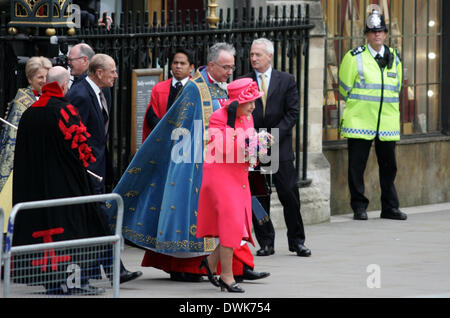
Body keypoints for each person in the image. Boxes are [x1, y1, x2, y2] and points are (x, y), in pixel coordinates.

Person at [106, 42, 270, 284]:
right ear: (211, 65)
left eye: (232, 68)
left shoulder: (228, 87)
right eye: (225, 67)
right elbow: (179, 129)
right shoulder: (195, 89)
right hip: (197, 163)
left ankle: (238, 266)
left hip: (230, 163)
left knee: (231, 218)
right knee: (199, 217)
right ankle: (188, 266)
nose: (229, 72)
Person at [12, 66, 111, 295]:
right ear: (64, 85)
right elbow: (80, 149)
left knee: (45, 231)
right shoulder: (64, 109)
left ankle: (52, 282)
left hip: (35, 187)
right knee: (72, 232)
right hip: (65, 186)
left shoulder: (30, 113)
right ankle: (73, 283)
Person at [66, 54, 142, 283]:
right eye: (113, 71)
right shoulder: (79, 95)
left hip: (98, 166)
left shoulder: (103, 91)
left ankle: (102, 270)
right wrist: (86, 170)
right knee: (97, 217)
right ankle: (112, 270)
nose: (116, 75)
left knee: (96, 219)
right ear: (99, 73)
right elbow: (75, 136)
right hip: (86, 171)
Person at [244, 38, 311, 257]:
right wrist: (254, 137)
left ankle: (297, 240)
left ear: (270, 56)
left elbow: (292, 112)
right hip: (255, 147)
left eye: (258, 55)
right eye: (252, 54)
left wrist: (273, 136)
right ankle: (266, 241)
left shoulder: (286, 80)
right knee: (259, 196)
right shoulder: (244, 81)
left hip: (278, 146)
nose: (253, 58)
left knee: (289, 194)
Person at [196, 78, 264, 293]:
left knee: (236, 226)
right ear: (236, 102)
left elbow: (250, 149)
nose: (253, 106)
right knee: (230, 224)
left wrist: (259, 147)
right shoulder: (219, 117)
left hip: (239, 176)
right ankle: (226, 276)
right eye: (249, 101)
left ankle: (210, 261)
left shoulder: (248, 117)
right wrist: (249, 142)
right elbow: (223, 147)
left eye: (254, 101)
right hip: (220, 176)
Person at [338, 9, 406, 221]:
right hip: (360, 120)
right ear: (366, 35)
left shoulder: (395, 57)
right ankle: (359, 207)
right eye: (372, 31)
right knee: (357, 167)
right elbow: (343, 89)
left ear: (386, 34)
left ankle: (390, 207)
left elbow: (398, 89)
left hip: (387, 122)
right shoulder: (353, 57)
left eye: (380, 31)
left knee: (389, 167)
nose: (377, 35)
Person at [0, 56, 52, 233]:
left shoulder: (50, 98)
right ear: (30, 79)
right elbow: (11, 140)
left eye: (47, 77)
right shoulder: (21, 102)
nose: (44, 81)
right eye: (40, 77)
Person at [142, 48, 195, 139]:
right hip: (163, 138)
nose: (178, 66)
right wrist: (164, 133)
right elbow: (152, 116)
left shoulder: (196, 88)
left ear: (191, 68)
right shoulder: (159, 88)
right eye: (175, 63)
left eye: (182, 63)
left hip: (187, 138)